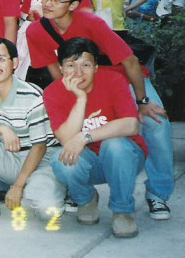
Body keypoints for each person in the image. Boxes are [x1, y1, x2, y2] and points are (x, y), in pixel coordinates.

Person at [26, 0, 173, 220]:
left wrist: (142, 101)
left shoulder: (90, 23)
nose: (48, 3)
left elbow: (130, 62)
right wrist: (72, 100)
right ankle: (81, 189)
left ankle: (157, 193)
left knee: (156, 124)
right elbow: (56, 73)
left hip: (123, 78)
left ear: (73, 4)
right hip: (83, 82)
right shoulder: (36, 32)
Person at [45, 38, 145, 238]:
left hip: (125, 157)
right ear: (61, 68)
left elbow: (131, 125)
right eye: (71, 65)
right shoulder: (52, 92)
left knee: (114, 145)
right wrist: (81, 98)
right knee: (61, 161)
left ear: (96, 67)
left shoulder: (113, 80)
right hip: (90, 161)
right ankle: (86, 199)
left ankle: (123, 210)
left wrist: (85, 136)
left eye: (86, 65)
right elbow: (66, 139)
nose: (78, 72)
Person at [0, 38, 64, 221]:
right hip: (11, 156)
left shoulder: (32, 96)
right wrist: (2, 130)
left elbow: (40, 147)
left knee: (46, 211)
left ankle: (61, 187)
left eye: (1, 59)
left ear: (15, 63)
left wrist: (17, 186)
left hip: (41, 160)